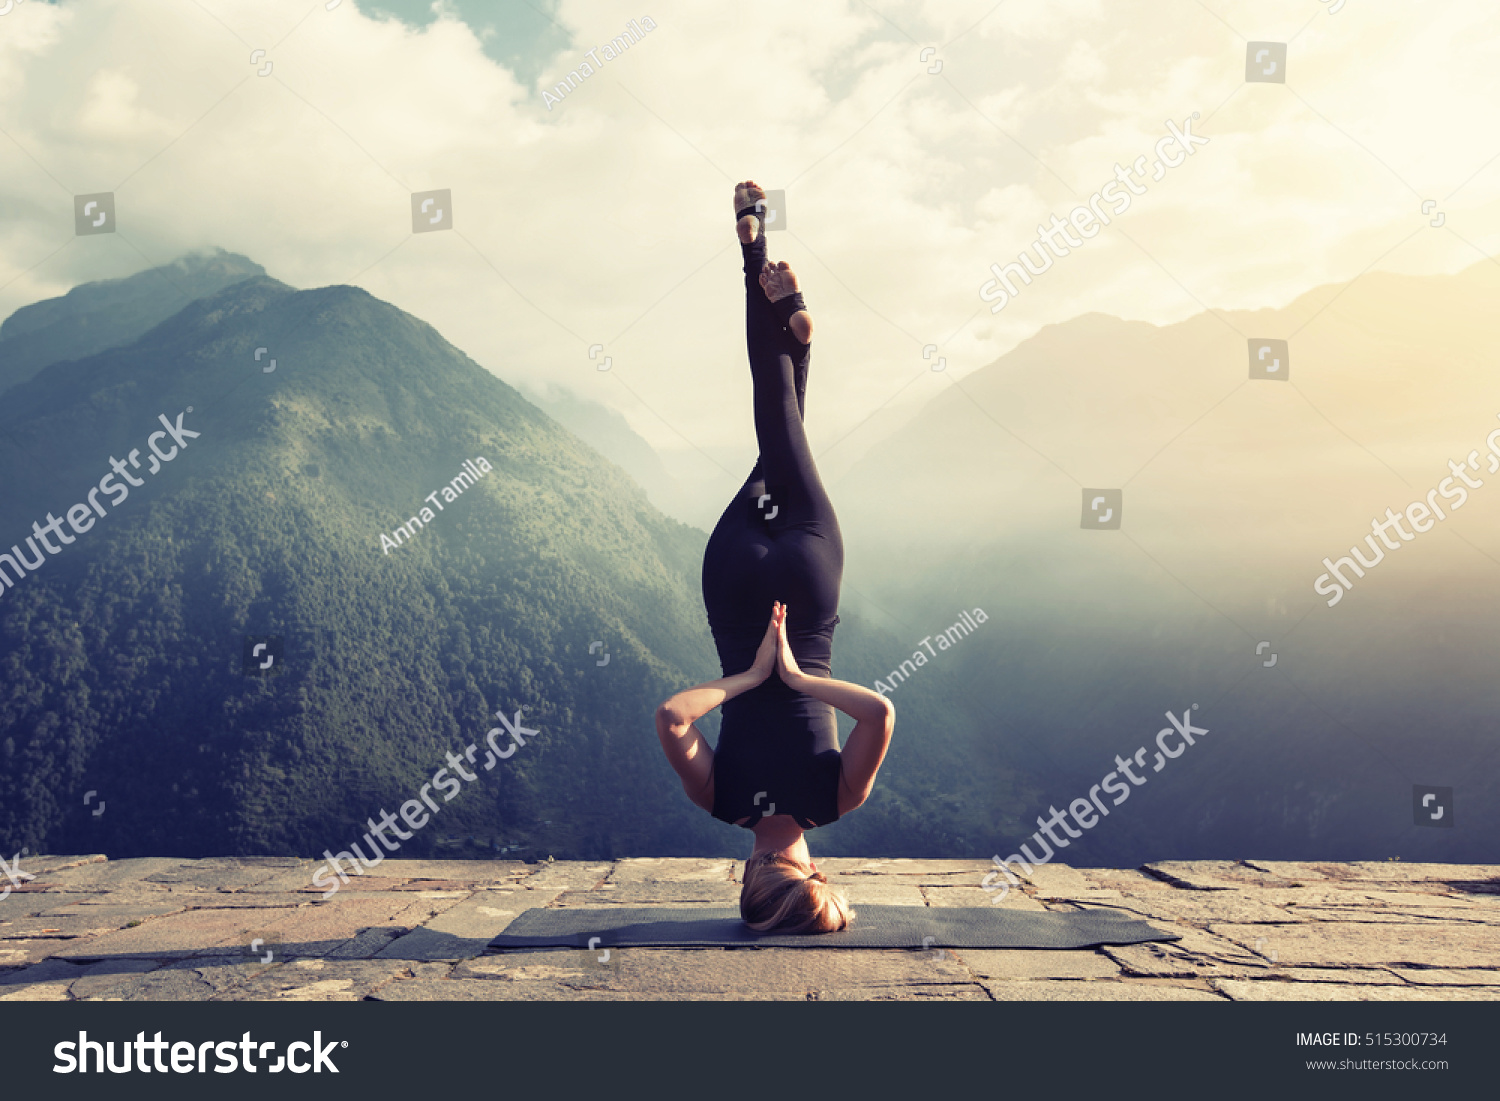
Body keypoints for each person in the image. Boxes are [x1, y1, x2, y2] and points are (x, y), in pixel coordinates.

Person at [654, 181, 895, 934]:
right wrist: (753, 674)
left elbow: (879, 713)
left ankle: (793, 329)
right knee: (777, 430)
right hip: (734, 586)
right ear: (749, 877)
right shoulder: (718, 796)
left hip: (810, 587)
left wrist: (794, 676)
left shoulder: (837, 797)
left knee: (784, 433)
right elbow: (673, 716)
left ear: (816, 871)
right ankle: (755, 261)